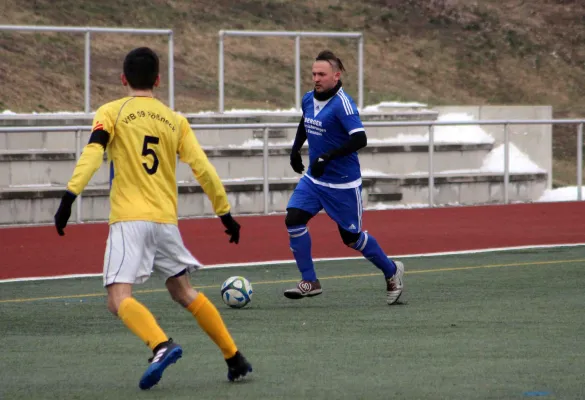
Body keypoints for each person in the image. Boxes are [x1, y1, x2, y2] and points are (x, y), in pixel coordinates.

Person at [53, 47, 252, 390]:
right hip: (165, 222)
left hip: (129, 220)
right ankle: (233, 356)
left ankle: (161, 345)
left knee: (117, 298)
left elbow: (93, 154)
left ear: (123, 79)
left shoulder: (111, 111)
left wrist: (70, 196)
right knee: (182, 290)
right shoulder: (175, 120)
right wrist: (225, 213)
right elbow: (202, 168)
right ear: (158, 80)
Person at [284, 50, 405, 305]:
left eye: (322, 74)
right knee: (294, 219)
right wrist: (295, 150)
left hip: (342, 184)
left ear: (336, 76)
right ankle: (310, 281)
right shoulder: (308, 98)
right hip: (315, 180)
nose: (316, 78)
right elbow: (305, 121)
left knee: (351, 238)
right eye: (314, 73)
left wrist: (327, 157)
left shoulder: (343, 104)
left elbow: (360, 138)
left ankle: (391, 270)